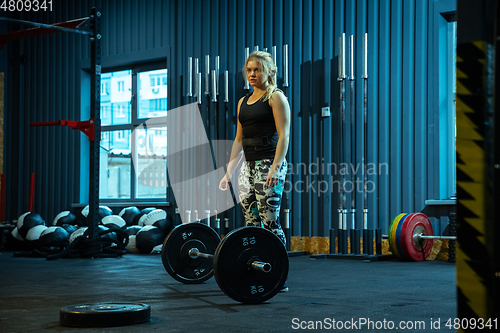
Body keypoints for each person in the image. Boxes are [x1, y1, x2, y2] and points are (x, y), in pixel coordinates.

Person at [219, 51, 290, 292]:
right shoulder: (242, 102)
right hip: (246, 167)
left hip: (267, 164)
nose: (251, 74)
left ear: (268, 71)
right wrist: (229, 171)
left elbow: (284, 135)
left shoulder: (276, 97)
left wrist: (276, 167)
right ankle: (259, 269)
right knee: (251, 222)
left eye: (256, 70)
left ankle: (280, 273)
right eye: (248, 70)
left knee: (269, 221)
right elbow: (238, 140)